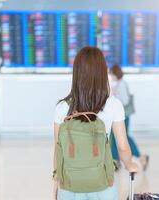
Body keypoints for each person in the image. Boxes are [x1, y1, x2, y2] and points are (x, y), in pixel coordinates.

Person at [52, 47, 138, 200]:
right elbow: (122, 147)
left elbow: (58, 151)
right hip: (103, 184)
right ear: (102, 72)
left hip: (69, 185)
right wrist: (129, 164)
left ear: (76, 73)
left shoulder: (62, 107)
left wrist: (55, 187)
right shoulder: (113, 105)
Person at [109, 64, 149, 171]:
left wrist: (115, 94)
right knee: (115, 136)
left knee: (124, 136)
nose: (111, 76)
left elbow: (125, 101)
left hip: (123, 116)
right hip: (119, 115)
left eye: (111, 74)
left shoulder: (121, 84)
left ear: (115, 73)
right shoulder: (118, 84)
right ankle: (115, 160)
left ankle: (140, 157)